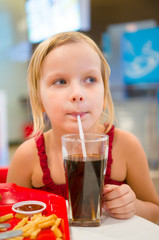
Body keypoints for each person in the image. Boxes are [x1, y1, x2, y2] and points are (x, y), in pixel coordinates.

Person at [7, 31, 159, 223]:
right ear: (39, 99)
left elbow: (156, 214)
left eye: (90, 79)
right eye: (60, 81)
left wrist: (133, 205)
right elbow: (10, 220)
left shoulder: (127, 146)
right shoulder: (27, 157)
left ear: (104, 94)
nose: (77, 94)